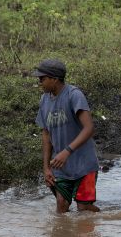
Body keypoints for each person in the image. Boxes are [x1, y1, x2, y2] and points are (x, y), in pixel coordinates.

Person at [34, 58, 101, 213]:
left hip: (84, 165)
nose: (40, 82)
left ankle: (109, 219)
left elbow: (89, 128)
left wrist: (67, 151)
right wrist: (46, 168)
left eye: (42, 79)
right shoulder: (44, 100)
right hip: (60, 166)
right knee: (61, 204)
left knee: (84, 208)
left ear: (54, 79)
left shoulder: (74, 95)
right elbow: (46, 134)